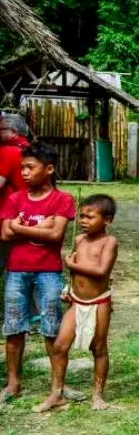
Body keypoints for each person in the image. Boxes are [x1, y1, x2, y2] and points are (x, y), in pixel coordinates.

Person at [0, 143, 76, 403]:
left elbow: (55, 235)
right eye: (22, 168)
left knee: (52, 328)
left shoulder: (62, 200)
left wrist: (19, 227)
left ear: (49, 169)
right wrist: (39, 228)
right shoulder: (15, 199)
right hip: (16, 271)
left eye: (30, 167)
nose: (23, 173)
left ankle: (58, 387)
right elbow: (4, 233)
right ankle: (13, 384)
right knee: (13, 327)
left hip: (48, 272)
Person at [33, 194, 119, 412]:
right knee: (60, 346)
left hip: (99, 302)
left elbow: (101, 271)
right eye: (81, 216)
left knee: (98, 348)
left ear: (107, 220)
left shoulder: (109, 242)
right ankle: (56, 393)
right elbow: (75, 274)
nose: (83, 221)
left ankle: (98, 396)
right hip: (76, 301)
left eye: (90, 217)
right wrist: (68, 288)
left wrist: (72, 265)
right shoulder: (79, 240)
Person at [0, 115, 28, 207]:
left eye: (1, 129)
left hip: (8, 211)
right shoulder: (32, 149)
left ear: (13, 132)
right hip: (30, 209)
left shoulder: (6, 151)